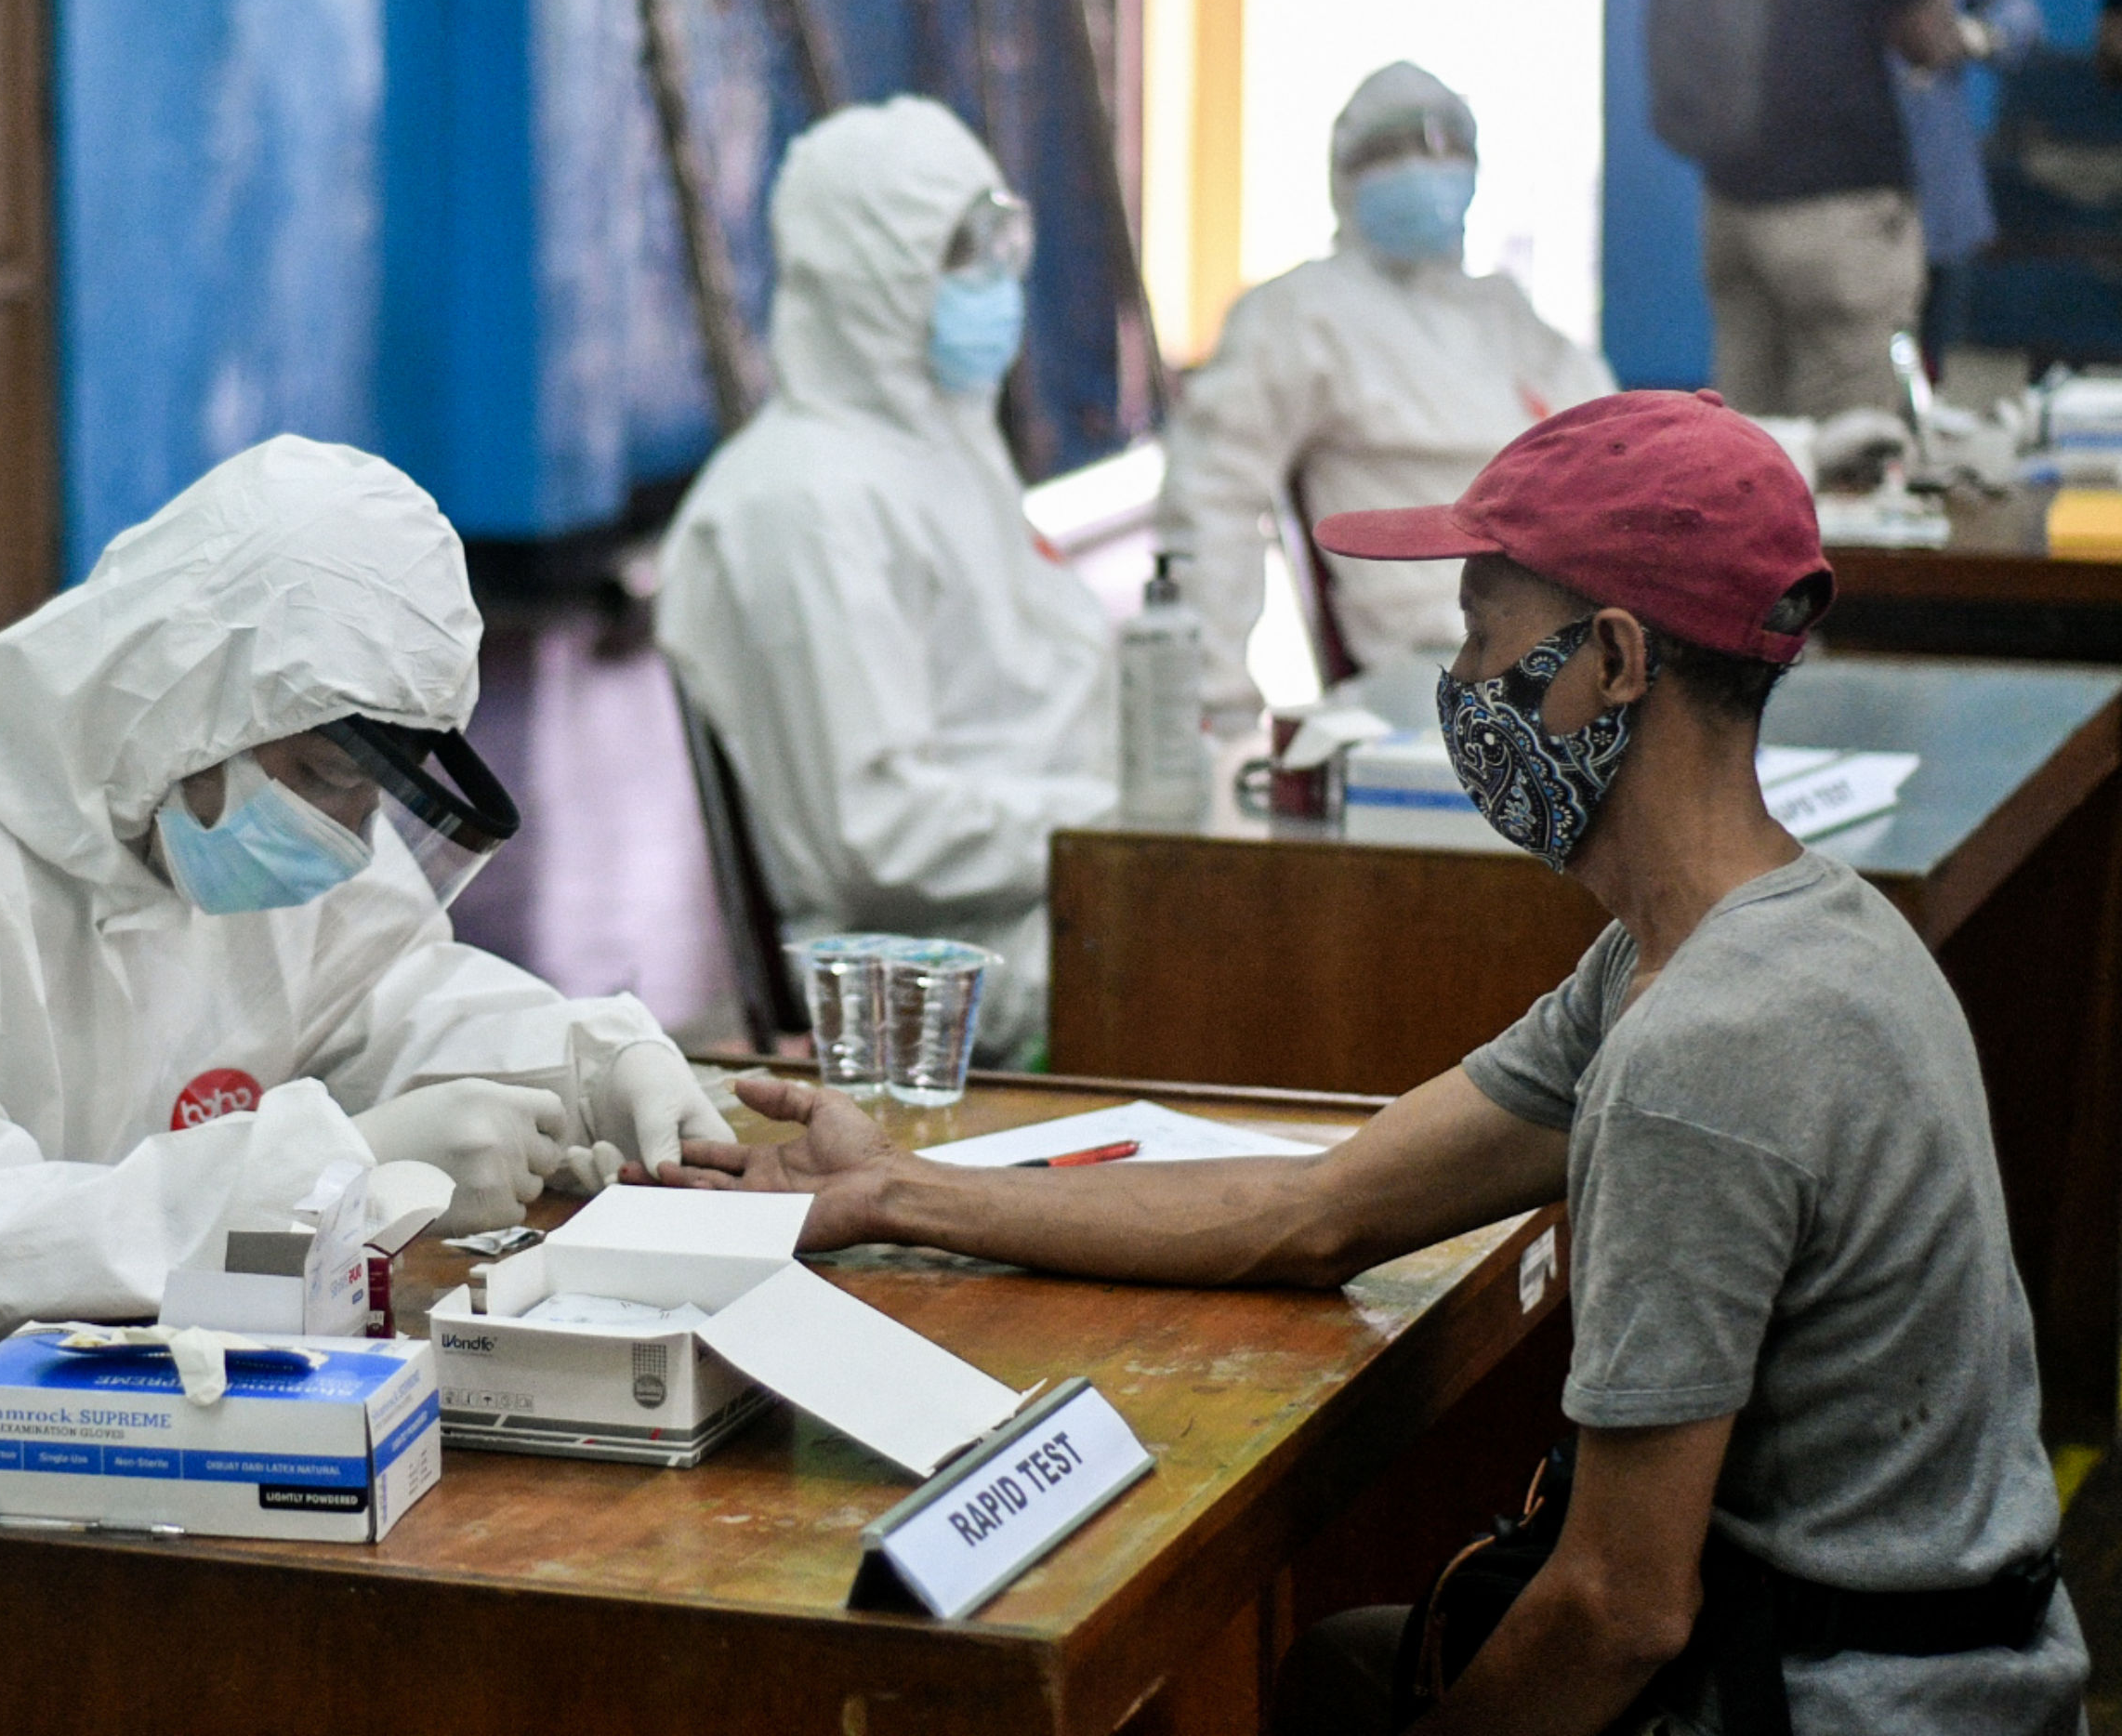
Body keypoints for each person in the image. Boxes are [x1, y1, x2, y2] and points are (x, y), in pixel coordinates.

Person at [643, 391, 2086, 1732]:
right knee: (1335, 1667)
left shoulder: (1704, 1054)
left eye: (1478, 636)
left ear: (1617, 661)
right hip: (1895, 1650)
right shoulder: (1757, 938)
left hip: (1852, 1700)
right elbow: (1318, 1208)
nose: (1457, 686)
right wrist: (897, 1194)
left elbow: (1620, 1611)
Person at [0, 434, 731, 1664]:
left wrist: (588, 1057)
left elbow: (393, 990)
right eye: (322, 778)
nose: (343, 835)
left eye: (368, 796)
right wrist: (334, 1171)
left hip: (121, 1467)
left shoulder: (229, 799)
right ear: (187, 691)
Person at [657, 96, 1114, 1064]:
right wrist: (1110, 825)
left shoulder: (942, 450)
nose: (993, 284)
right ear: (868, 275)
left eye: (1000, 247)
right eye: (957, 254)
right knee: (1266, 953)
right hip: (937, 970)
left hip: (1052, 891)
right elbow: (880, 836)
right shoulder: (802, 501)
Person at [1153, 62, 1613, 726]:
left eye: (1446, 146)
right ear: (1344, 176)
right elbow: (1211, 500)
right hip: (1443, 654)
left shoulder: (1505, 314)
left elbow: (1623, 448)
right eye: (1392, 152)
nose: (1425, 167)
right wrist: (1212, 703)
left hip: (1587, 630)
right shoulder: (1299, 314)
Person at [1668, 0, 1960, 418]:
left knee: (1741, 454)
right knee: (1851, 462)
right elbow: (1924, 37)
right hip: (1839, 205)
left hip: (1731, 200)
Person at [1891, 0, 2040, 366]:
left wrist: (1973, 35)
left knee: (1932, 377)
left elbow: (2021, 14)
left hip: (1940, 199)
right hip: (1850, 202)